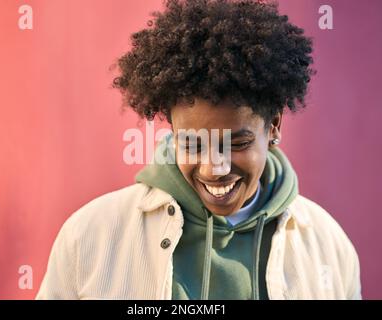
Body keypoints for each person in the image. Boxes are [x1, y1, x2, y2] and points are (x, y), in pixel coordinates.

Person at [37, 0, 361, 300]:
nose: (213, 169)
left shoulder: (329, 247)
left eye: (237, 143)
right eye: (192, 144)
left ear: (274, 125)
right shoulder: (90, 238)